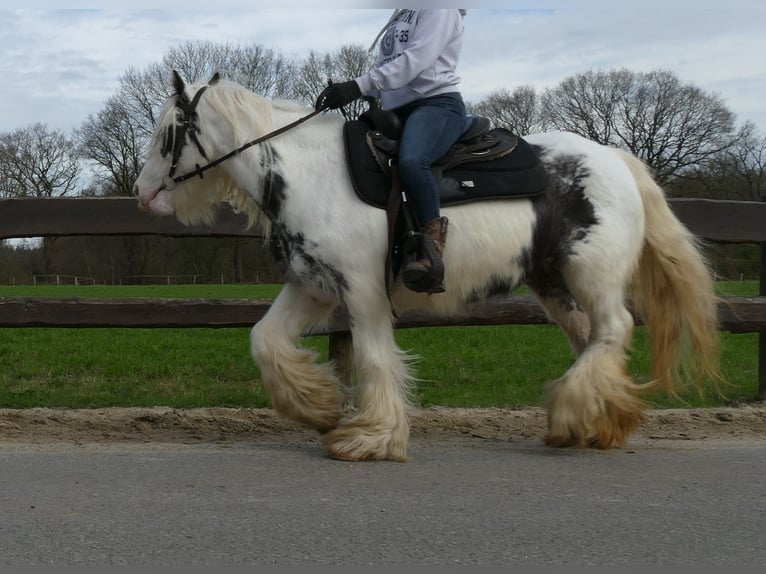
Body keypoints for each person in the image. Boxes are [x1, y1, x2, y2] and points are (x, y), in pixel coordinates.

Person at [316, 9, 468, 293]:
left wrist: (358, 85)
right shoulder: (403, 14)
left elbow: (416, 61)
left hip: (436, 104)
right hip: (397, 109)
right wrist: (359, 92)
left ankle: (431, 252)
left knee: (413, 161)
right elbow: (393, 66)